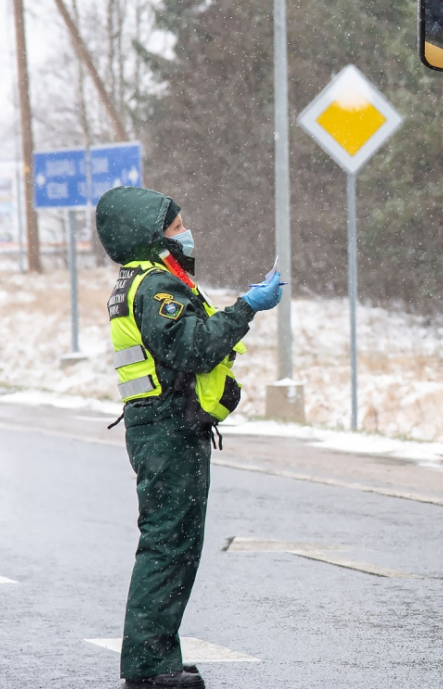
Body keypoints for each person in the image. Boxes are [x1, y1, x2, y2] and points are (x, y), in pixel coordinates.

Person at [94, 186, 283, 689]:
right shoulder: (156, 288)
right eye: (176, 226)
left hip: (165, 427)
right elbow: (195, 349)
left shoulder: (142, 281)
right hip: (167, 430)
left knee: (172, 545)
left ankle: (158, 659)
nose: (186, 233)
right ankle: (150, 667)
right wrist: (247, 307)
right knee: (167, 546)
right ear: (150, 235)